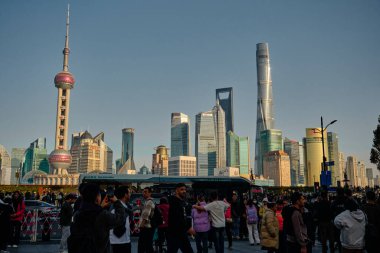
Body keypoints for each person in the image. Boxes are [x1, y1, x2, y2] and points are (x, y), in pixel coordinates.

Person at [67, 183, 126, 253]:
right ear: (97, 197)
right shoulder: (103, 215)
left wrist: (100, 207)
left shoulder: (78, 214)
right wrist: (117, 202)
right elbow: (120, 218)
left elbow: (91, 214)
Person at [167, 183, 195, 253]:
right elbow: (177, 217)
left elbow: (184, 215)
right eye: (182, 189)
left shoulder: (182, 201)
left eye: (185, 190)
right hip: (175, 233)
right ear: (176, 191)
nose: (184, 191)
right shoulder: (173, 201)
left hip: (181, 233)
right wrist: (188, 228)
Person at [110, 186, 132, 253]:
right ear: (125, 194)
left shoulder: (125, 207)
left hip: (125, 241)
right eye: (129, 192)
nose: (130, 194)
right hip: (117, 244)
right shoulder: (115, 208)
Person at [138, 187, 155, 253]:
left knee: (142, 246)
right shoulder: (147, 202)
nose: (143, 193)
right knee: (148, 246)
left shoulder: (149, 202)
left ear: (150, 193)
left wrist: (141, 225)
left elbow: (146, 215)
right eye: (143, 192)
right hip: (148, 228)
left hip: (146, 227)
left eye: (145, 192)